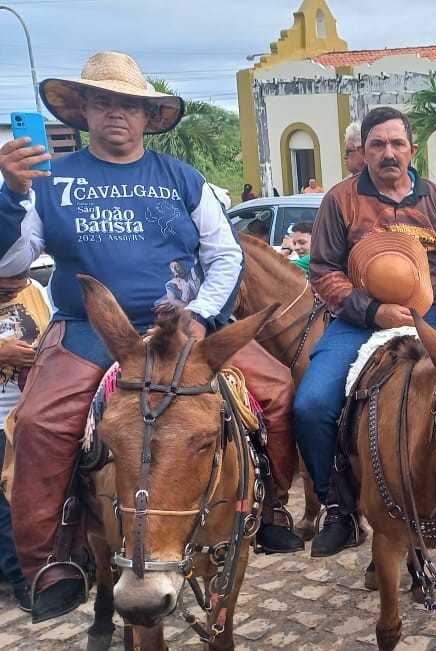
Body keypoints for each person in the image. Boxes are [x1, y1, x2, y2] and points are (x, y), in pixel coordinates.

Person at [0, 51, 304, 622]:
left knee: (279, 390)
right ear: (83, 111)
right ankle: (52, 561)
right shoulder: (48, 180)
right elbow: (15, 257)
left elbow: (223, 254)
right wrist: (10, 195)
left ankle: (270, 512)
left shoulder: (183, 178)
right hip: (93, 328)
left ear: (147, 116)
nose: (117, 113)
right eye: (103, 101)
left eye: (129, 104)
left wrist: (203, 316)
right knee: (42, 423)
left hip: (181, 329)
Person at [296, 106, 436, 557]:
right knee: (312, 404)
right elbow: (323, 272)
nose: (388, 153)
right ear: (363, 151)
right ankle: (338, 505)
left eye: (397, 144)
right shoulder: (339, 200)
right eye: (377, 144)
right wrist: (373, 310)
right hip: (359, 320)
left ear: (412, 150)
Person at [0, 272, 50, 613]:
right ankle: (22, 579)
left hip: (38, 412)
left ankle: (56, 566)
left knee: (44, 493)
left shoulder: (40, 291)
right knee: (6, 502)